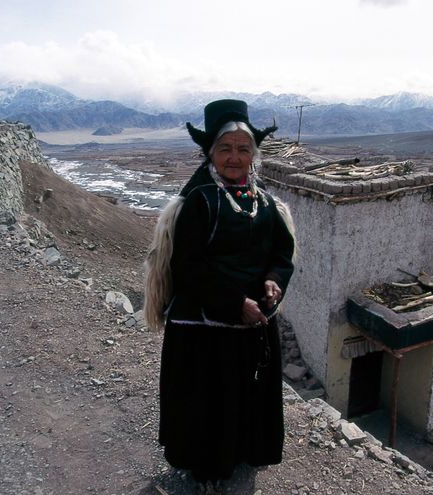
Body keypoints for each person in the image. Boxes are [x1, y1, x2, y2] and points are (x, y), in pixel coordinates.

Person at [143, 99, 295, 493]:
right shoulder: (201, 201)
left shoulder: (262, 202)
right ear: (210, 152)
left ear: (254, 155)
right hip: (206, 323)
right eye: (225, 148)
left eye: (243, 149)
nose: (235, 157)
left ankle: (243, 451)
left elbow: (281, 250)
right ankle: (207, 468)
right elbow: (189, 267)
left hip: (252, 317)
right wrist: (233, 304)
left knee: (246, 392)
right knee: (211, 399)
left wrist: (274, 280)